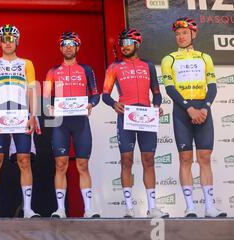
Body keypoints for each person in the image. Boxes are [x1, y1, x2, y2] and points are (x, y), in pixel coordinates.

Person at [161, 17, 226, 218]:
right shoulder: (168, 59)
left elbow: (213, 86)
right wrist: (189, 108)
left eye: (184, 33)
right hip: (182, 110)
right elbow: (170, 89)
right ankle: (190, 206)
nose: (180, 37)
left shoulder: (205, 58)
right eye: (177, 34)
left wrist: (205, 107)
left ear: (193, 34)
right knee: (185, 158)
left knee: (204, 158)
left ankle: (209, 206)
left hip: (203, 108)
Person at [102, 28, 169, 218]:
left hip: (146, 117)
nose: (124, 47)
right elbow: (105, 94)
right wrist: (114, 104)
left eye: (128, 43)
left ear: (136, 44)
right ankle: (129, 208)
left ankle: (152, 207)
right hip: (126, 117)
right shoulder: (114, 66)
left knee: (149, 160)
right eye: (122, 44)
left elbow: (156, 92)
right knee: (127, 161)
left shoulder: (148, 65)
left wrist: (156, 106)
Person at [0, 24, 40, 219]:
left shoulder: (26, 64)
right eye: (4, 39)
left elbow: (32, 90)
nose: (8, 43)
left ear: (17, 41)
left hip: (22, 115)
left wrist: (33, 115)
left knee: (24, 161)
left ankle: (28, 209)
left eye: (11, 39)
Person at [43, 31, 100, 219]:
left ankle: (89, 209)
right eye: (64, 43)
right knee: (61, 164)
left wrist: (91, 104)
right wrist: (48, 108)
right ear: (60, 48)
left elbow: (95, 94)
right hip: (60, 123)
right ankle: (60, 209)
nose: (68, 46)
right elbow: (45, 98)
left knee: (83, 165)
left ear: (77, 47)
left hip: (80, 122)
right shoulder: (52, 72)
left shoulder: (86, 69)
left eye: (71, 43)